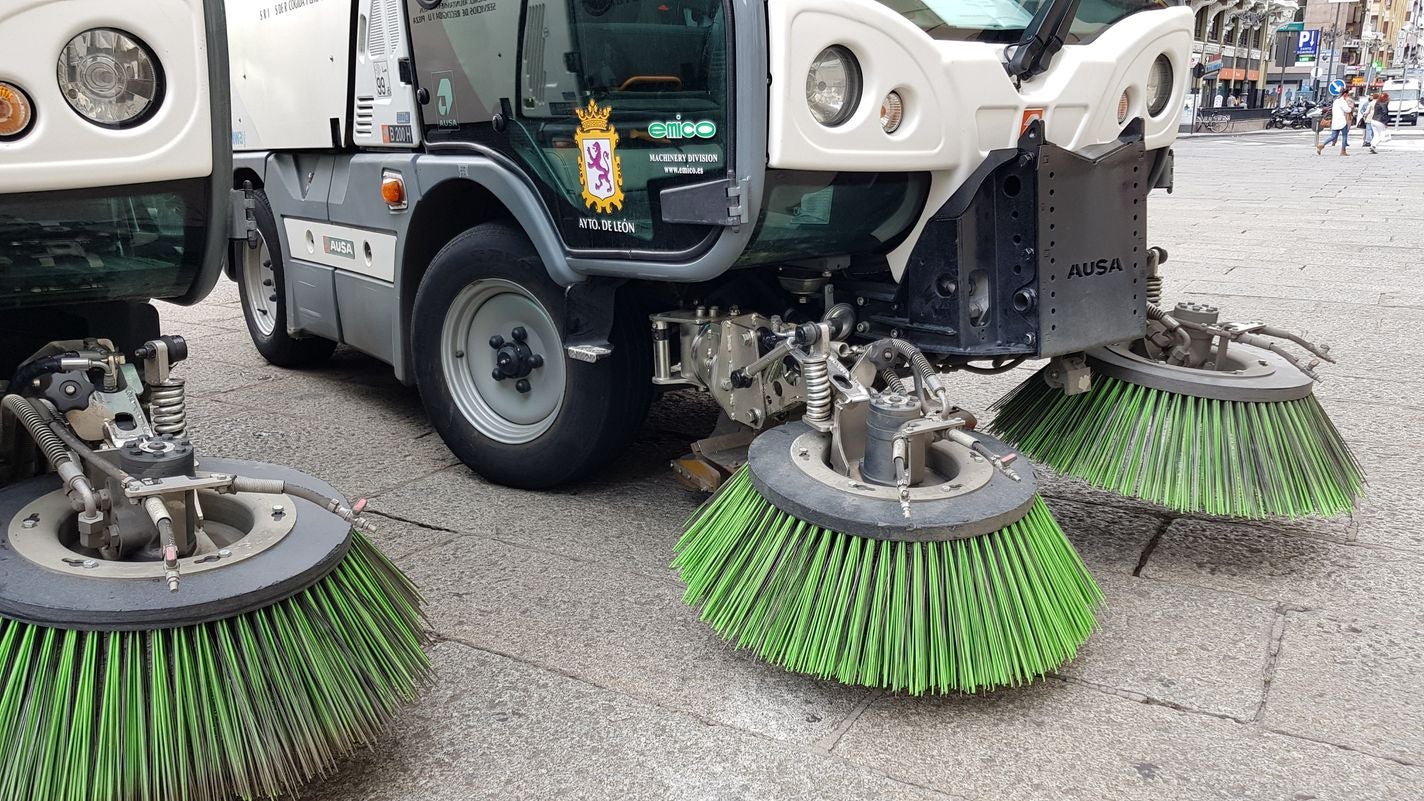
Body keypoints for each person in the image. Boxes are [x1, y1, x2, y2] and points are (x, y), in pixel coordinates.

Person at [1317, 90, 1354, 156]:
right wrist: (1351, 108)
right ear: (1345, 94)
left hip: (1335, 121)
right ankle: (1343, 151)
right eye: (1347, 94)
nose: (1347, 96)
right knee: (1344, 136)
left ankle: (1322, 145)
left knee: (1333, 136)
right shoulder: (1342, 102)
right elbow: (1347, 110)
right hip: (1342, 121)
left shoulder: (1336, 101)